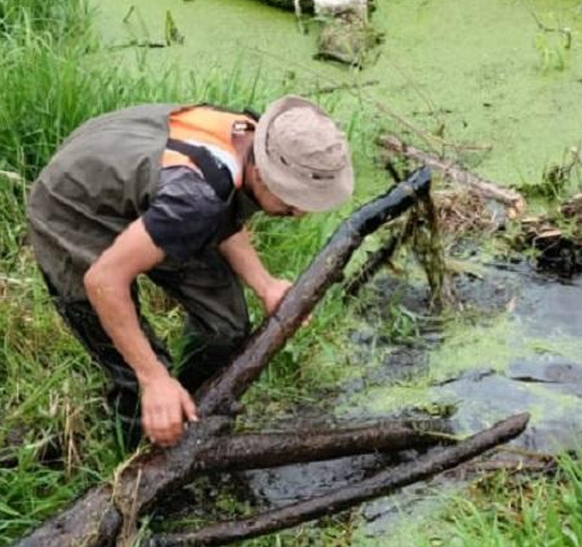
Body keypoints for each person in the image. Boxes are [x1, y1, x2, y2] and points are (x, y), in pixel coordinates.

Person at [27, 96, 353, 449]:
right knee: (140, 376)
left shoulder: (250, 138)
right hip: (74, 209)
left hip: (152, 191)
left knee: (225, 327)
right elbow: (103, 280)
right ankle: (137, 461)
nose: (299, 212)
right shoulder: (195, 198)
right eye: (292, 200)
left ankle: (193, 409)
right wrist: (153, 378)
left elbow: (222, 207)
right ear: (261, 170)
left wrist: (265, 284)